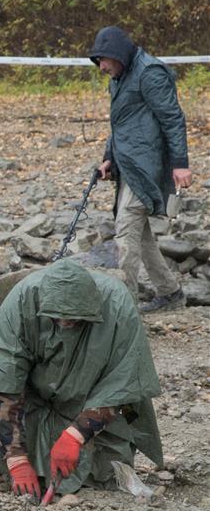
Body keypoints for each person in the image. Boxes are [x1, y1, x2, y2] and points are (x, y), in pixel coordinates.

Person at [0, 259, 163, 499]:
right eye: (56, 318)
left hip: (90, 403)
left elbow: (124, 385)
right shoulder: (22, 300)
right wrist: (16, 459)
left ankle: (62, 454)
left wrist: (75, 435)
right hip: (35, 399)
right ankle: (25, 461)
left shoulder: (118, 306)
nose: (65, 324)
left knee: (107, 469)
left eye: (74, 319)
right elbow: (4, 377)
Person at [89, 25, 193, 313]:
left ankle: (123, 309)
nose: (101, 67)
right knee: (142, 237)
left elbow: (173, 119)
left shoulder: (150, 73)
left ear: (117, 54)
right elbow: (120, 123)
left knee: (125, 233)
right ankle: (170, 293)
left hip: (146, 167)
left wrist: (180, 164)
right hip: (127, 166)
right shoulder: (119, 78)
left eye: (103, 60)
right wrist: (108, 157)